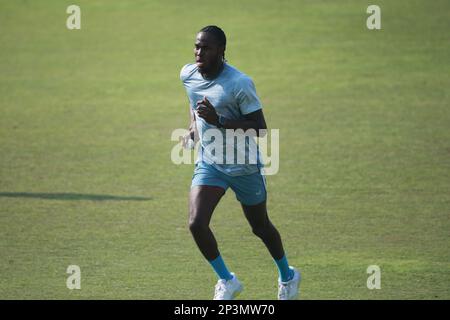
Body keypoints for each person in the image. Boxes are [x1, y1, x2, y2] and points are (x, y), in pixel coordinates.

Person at [179, 25, 300, 300]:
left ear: (221, 51)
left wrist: (218, 121)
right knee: (196, 223)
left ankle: (288, 276)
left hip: (244, 166)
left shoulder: (239, 83)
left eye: (206, 47)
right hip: (210, 164)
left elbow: (259, 128)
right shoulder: (188, 74)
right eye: (197, 46)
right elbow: (193, 99)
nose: (199, 52)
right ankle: (227, 280)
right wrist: (193, 127)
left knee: (260, 227)